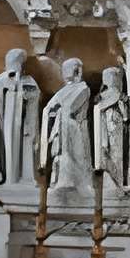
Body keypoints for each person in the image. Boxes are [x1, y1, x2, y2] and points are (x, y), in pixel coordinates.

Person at [38, 55, 94, 197]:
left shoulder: (83, 88)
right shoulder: (63, 91)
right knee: (61, 156)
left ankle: (77, 183)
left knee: (76, 156)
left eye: (69, 69)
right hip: (62, 128)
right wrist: (54, 111)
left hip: (75, 130)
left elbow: (70, 108)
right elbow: (48, 108)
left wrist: (57, 109)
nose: (65, 72)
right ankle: (62, 181)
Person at [0, 47, 41, 183]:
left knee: (25, 148)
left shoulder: (29, 80)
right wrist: (9, 85)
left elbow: (35, 95)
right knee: (9, 146)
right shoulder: (1, 79)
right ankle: (11, 177)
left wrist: (26, 94)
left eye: (20, 62)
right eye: (15, 61)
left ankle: (26, 177)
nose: (18, 65)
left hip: (24, 120)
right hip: (9, 119)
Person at [94, 64, 130, 194]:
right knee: (110, 156)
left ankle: (117, 184)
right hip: (109, 128)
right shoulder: (112, 95)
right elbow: (125, 116)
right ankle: (115, 184)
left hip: (115, 128)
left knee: (115, 156)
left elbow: (125, 116)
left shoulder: (114, 95)